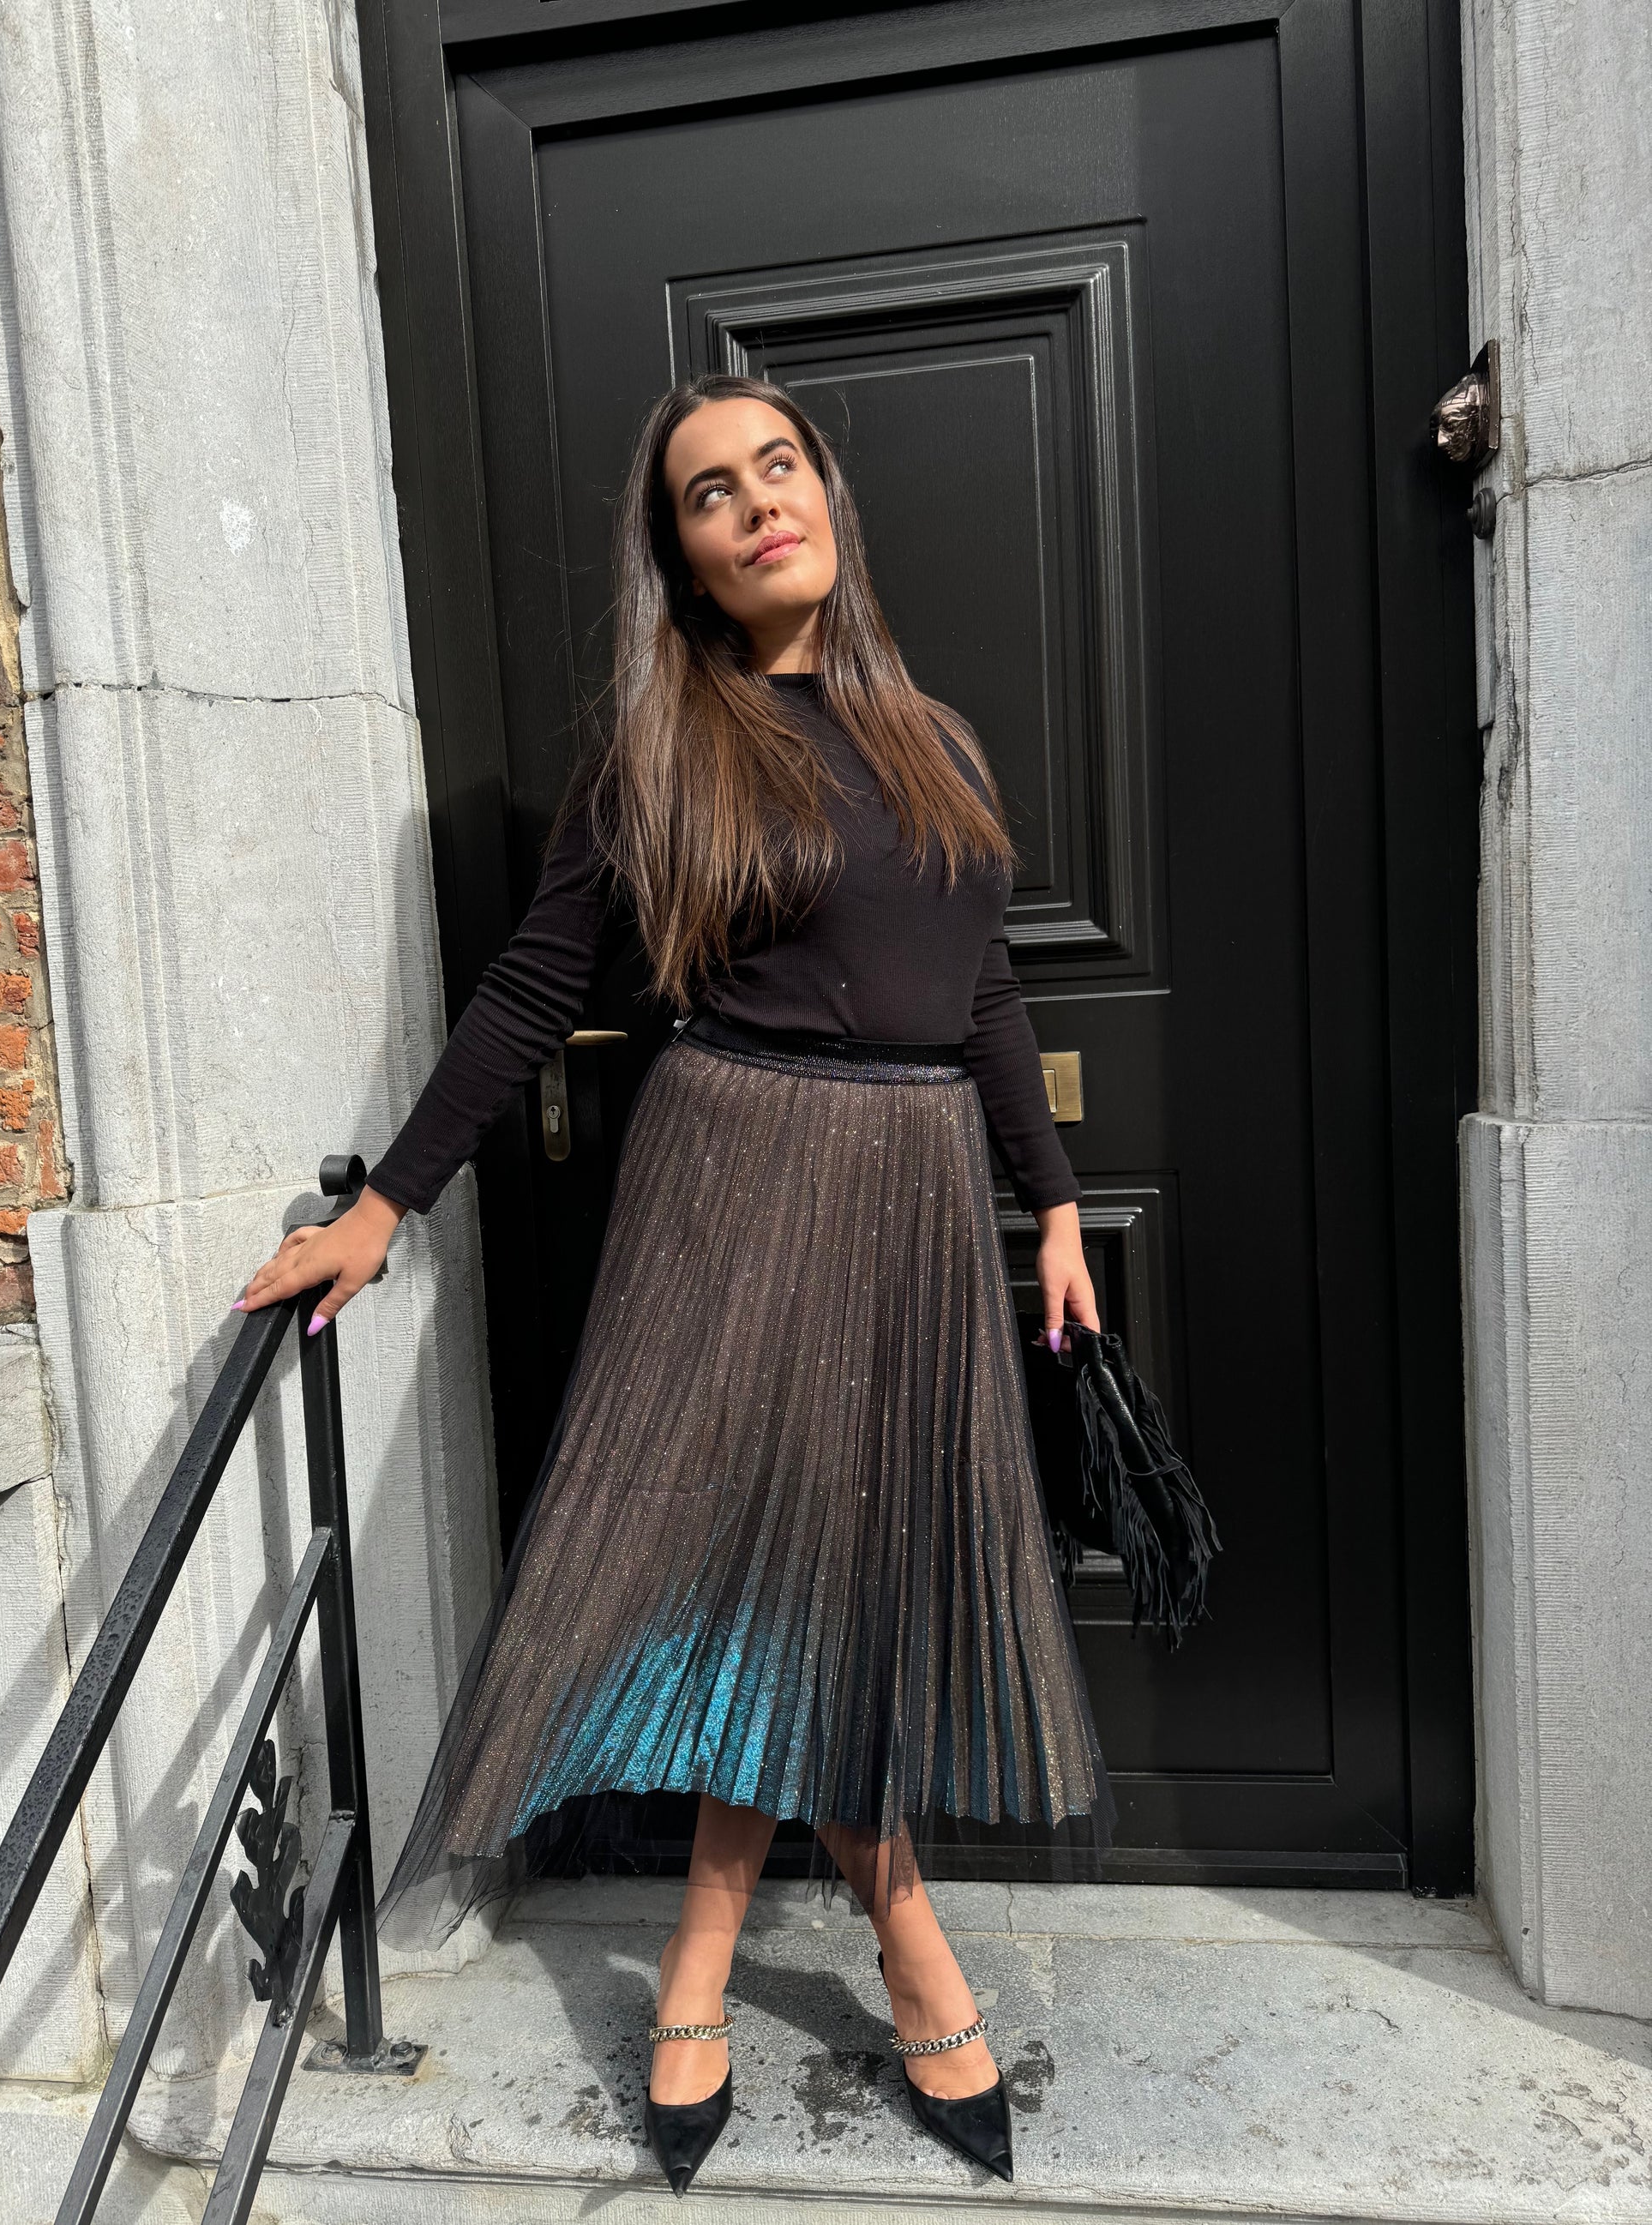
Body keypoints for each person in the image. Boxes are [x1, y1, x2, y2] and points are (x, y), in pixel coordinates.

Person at [236, 373, 1117, 2195]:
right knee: (752, 1571)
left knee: (848, 1575)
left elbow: (983, 986)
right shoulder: (664, 752)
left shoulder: (936, 739)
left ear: (827, 494)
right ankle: (903, 1940)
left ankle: (709, 1947)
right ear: (686, 561)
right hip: (736, 1175)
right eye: (712, 493)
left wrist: (1048, 1202)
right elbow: (527, 987)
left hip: (911, 1195)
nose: (757, 502)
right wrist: (388, 1203)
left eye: (778, 466)